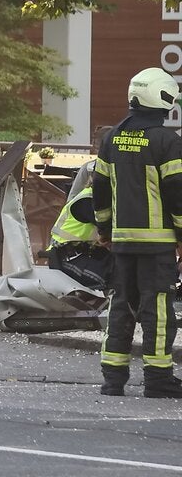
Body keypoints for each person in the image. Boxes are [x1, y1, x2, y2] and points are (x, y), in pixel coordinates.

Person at [94, 67, 182, 398]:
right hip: (157, 246)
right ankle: (158, 379)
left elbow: (99, 190)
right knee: (157, 311)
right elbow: (177, 194)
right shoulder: (167, 141)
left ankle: (113, 379)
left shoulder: (111, 138)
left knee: (122, 308)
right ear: (163, 99)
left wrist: (104, 229)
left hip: (121, 244)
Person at [45, 162, 111, 291]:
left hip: (83, 254)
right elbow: (110, 230)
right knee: (116, 276)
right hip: (67, 260)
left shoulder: (96, 198)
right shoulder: (87, 201)